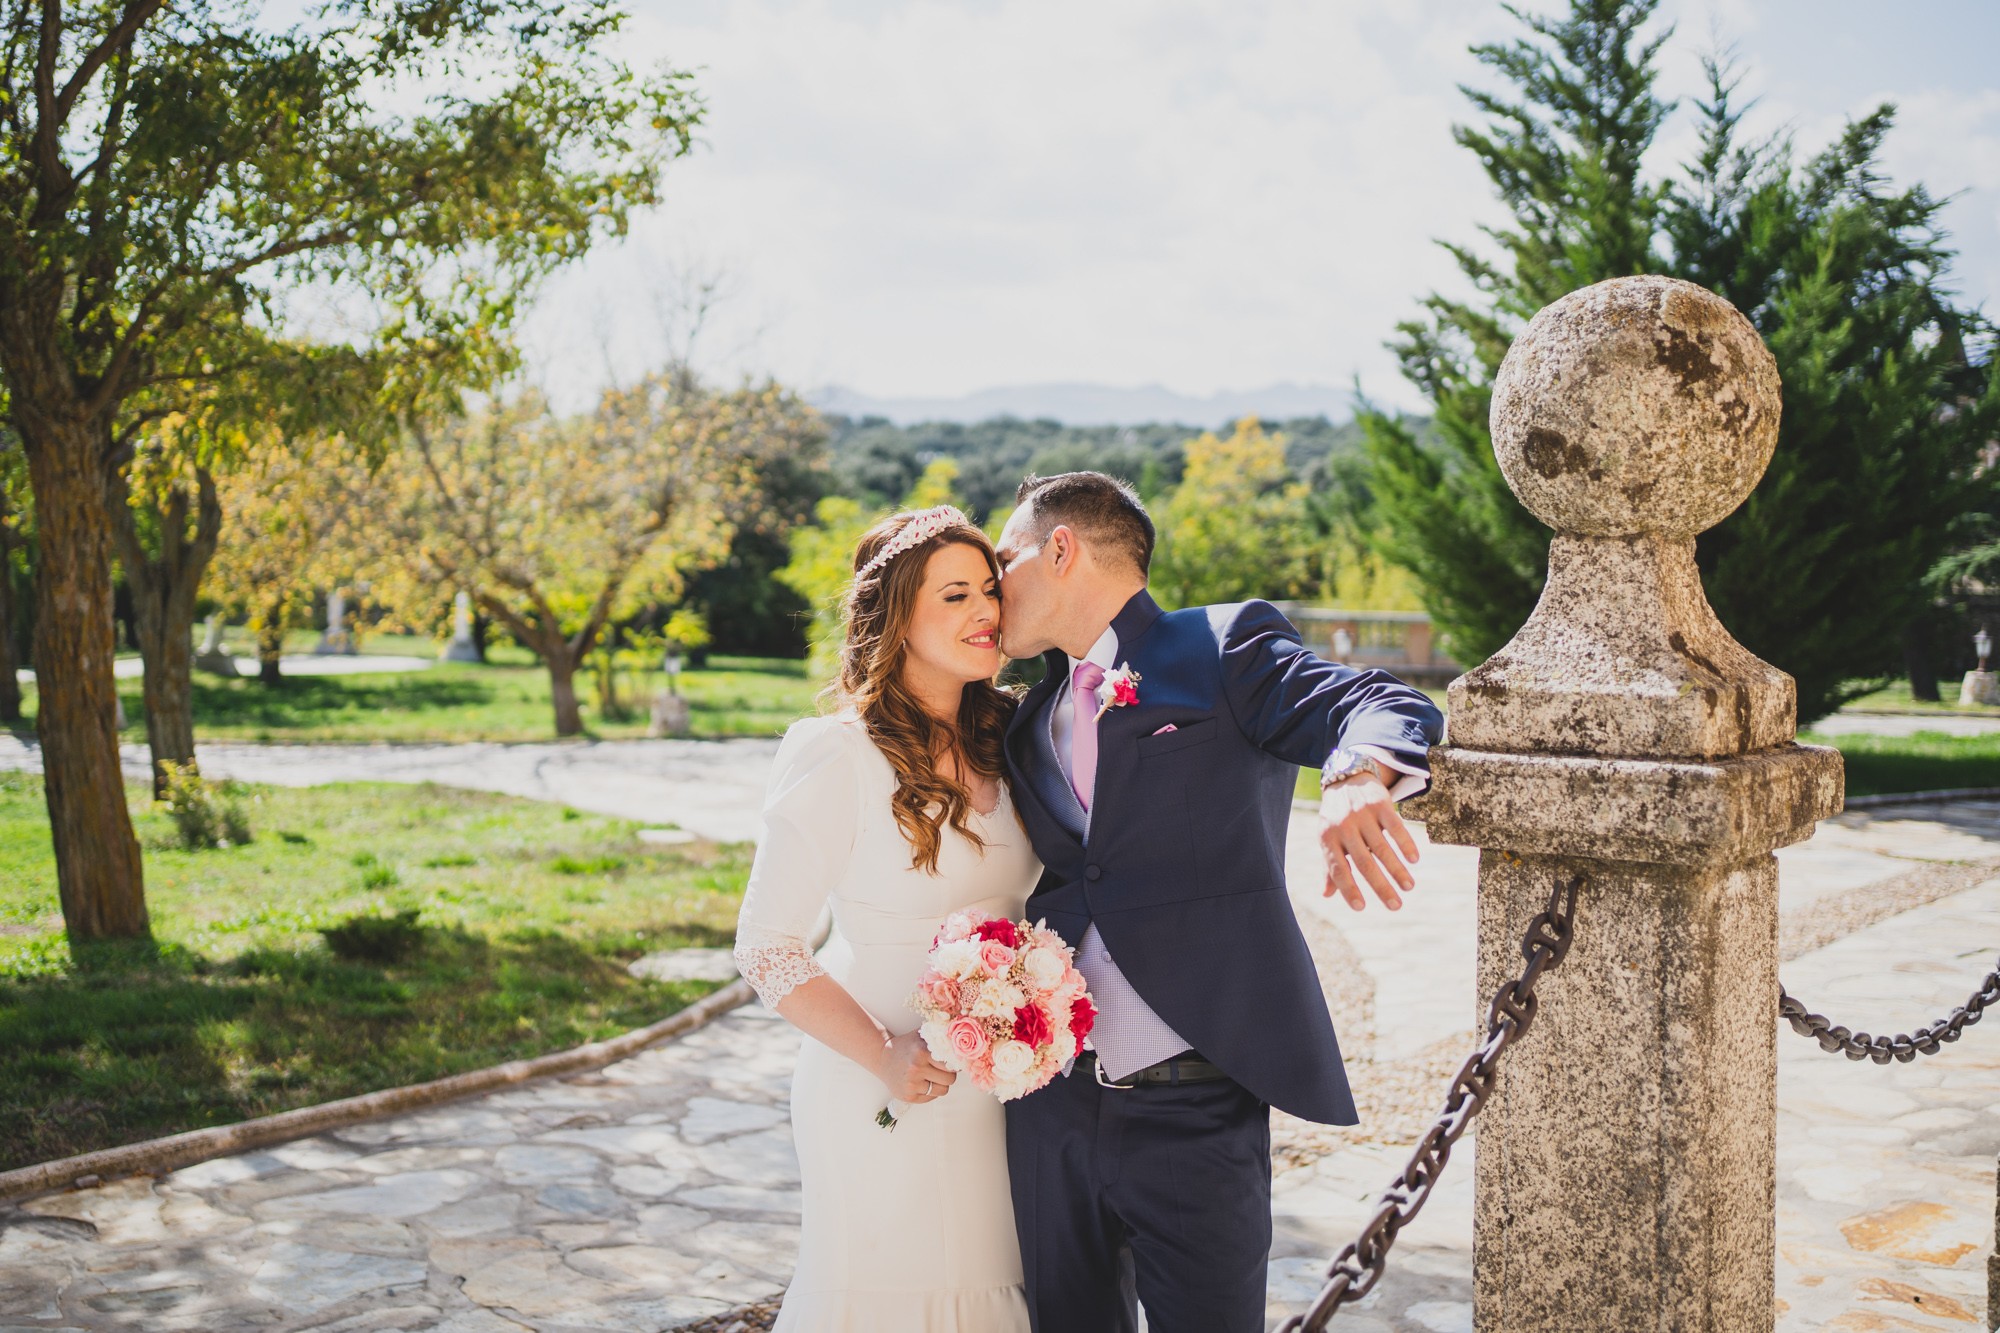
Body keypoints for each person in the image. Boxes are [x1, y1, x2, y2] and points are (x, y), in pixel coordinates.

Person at [992, 471, 1444, 1333]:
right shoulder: (1027, 719)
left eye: (1006, 557)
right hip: (1050, 1106)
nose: (993, 580)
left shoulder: (1220, 647)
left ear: (1060, 549)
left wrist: (1353, 777)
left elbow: (1378, 700)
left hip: (1196, 1112)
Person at [732, 505, 1038, 1331]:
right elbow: (767, 948)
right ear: (896, 614)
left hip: (1007, 1091)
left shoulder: (1018, 738)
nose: (985, 612)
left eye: (989, 591)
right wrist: (884, 1052)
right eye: (954, 596)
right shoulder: (836, 752)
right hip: (881, 1086)